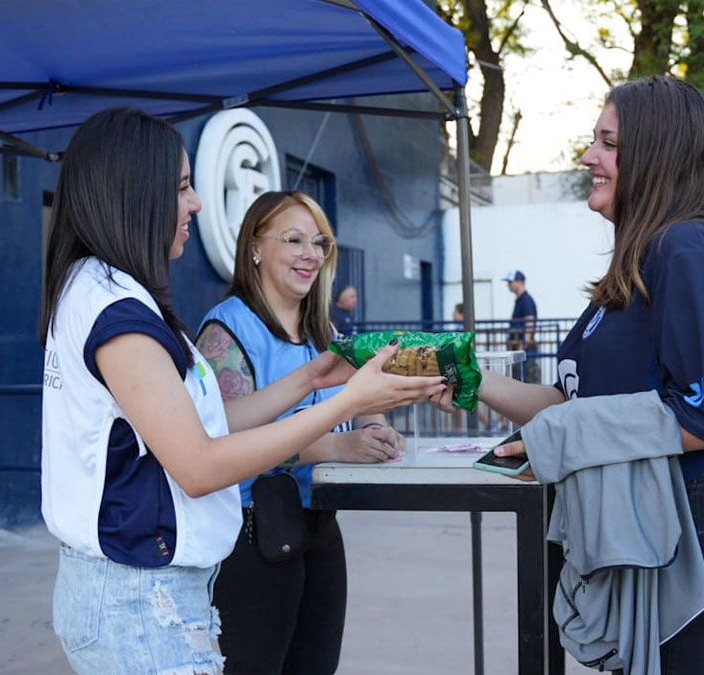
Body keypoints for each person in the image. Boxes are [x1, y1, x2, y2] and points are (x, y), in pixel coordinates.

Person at [38, 109, 442, 674]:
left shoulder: (100, 291)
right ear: (136, 193)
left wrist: (312, 379)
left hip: (144, 595)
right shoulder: (120, 314)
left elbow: (207, 425)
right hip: (137, 604)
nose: (197, 204)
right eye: (181, 188)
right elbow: (200, 464)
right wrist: (349, 407)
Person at [433, 76, 704, 673]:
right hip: (648, 530)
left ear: (655, 153)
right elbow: (568, 404)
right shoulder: (640, 261)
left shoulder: (688, 248)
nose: (589, 156)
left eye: (608, 143)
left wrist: (553, 439)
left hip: (696, 532)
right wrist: (465, 373)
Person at [196, 192, 411, 674]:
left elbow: (361, 397)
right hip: (253, 531)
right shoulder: (226, 331)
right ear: (254, 246)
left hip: (317, 521)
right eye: (293, 240)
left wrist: (374, 426)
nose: (310, 254)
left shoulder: (323, 328)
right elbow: (221, 442)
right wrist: (336, 444)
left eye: (320, 242)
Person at [503, 270, 541, 383]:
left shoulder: (526, 300)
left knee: (527, 381)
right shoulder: (521, 300)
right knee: (521, 380)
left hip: (523, 350)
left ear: (519, 282)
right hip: (519, 350)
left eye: (510, 282)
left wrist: (524, 346)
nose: (508, 285)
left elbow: (530, 323)